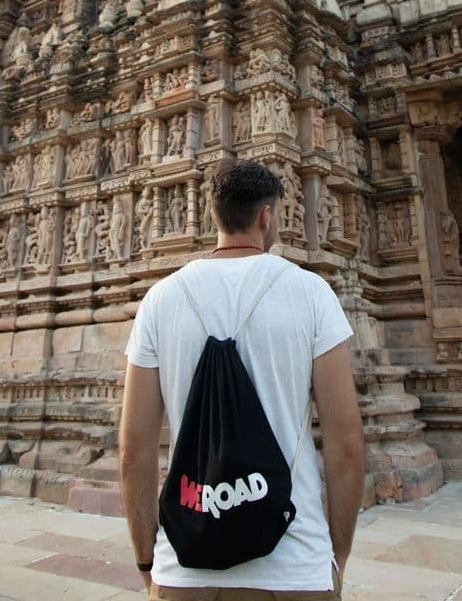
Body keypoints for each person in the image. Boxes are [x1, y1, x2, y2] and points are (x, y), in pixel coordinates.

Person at [120, 160, 365, 599]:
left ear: (212, 215)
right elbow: (346, 444)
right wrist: (336, 554)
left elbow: (133, 451)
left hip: (185, 566)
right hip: (295, 564)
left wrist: (145, 559)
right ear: (266, 216)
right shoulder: (311, 293)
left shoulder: (160, 299)